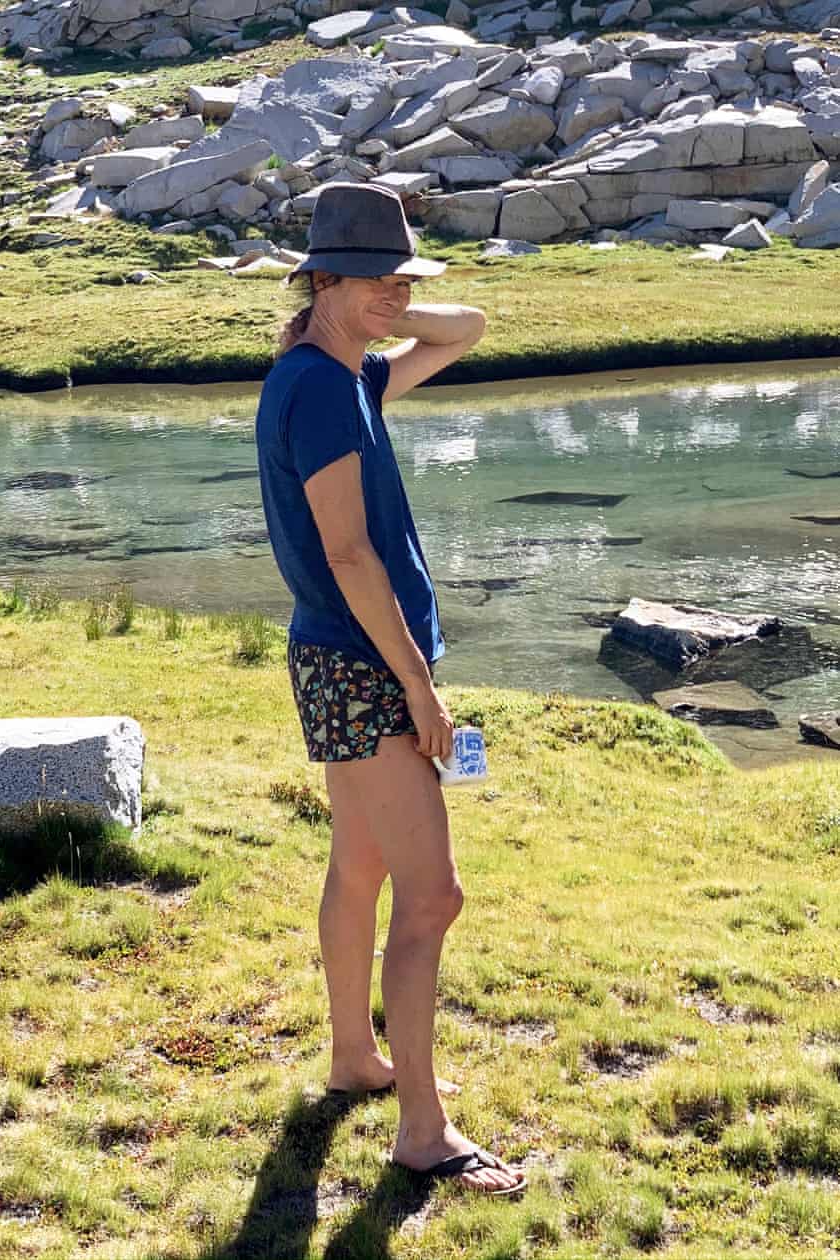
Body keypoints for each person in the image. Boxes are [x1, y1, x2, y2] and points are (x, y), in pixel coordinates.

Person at [255, 182, 525, 1197]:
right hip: (365, 665)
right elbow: (349, 553)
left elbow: (469, 327)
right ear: (320, 276)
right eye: (368, 276)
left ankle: (352, 1060)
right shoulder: (325, 390)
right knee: (432, 896)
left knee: (359, 864)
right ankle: (420, 1132)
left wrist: (385, 304)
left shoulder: (334, 373)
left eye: (398, 275)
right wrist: (419, 690)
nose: (392, 295)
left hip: (331, 657)